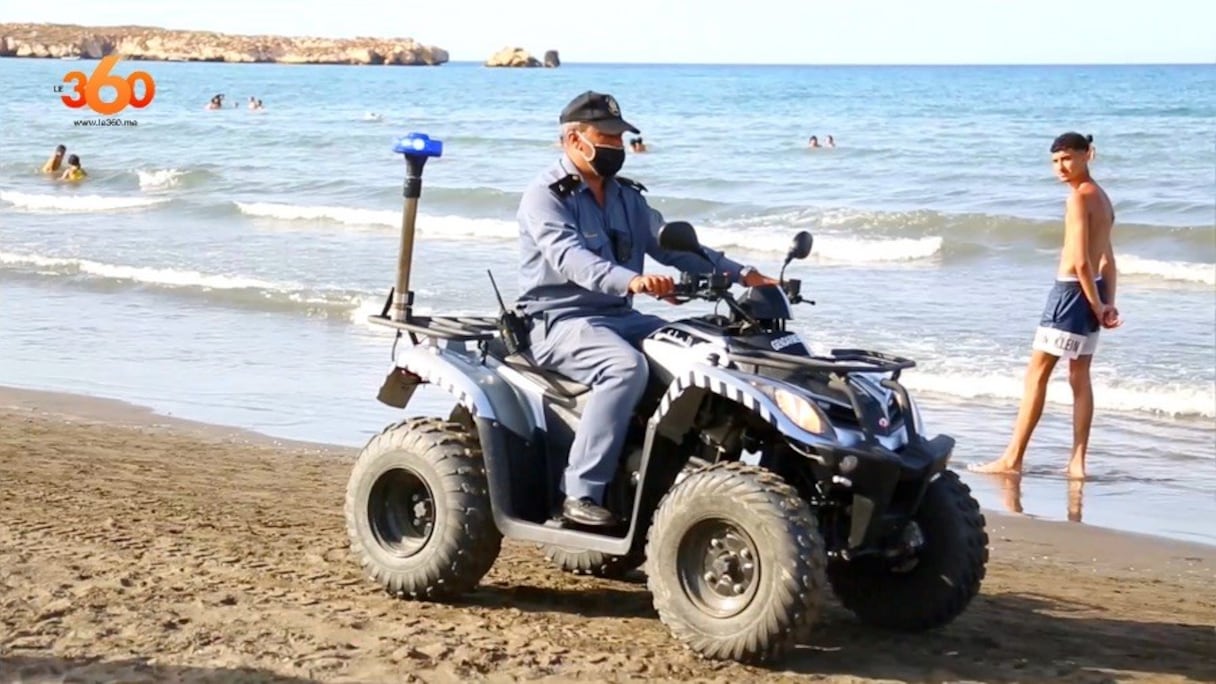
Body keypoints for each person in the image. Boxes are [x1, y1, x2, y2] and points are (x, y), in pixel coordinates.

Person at [515, 90, 777, 526]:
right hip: (559, 322)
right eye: (608, 137)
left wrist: (742, 274)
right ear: (574, 139)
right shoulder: (546, 196)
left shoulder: (626, 198)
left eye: (620, 138)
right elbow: (573, 260)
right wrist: (633, 280)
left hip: (622, 317)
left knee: (703, 354)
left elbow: (671, 246)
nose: (616, 147)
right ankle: (580, 492)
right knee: (624, 369)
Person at [971, 132, 1121, 480]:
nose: (1061, 167)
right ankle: (1077, 463)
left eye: (1068, 158)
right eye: (1055, 161)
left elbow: (1084, 262)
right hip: (1093, 293)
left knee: (1036, 375)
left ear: (1089, 154)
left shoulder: (1079, 199)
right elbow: (1108, 261)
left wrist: (1098, 306)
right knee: (1079, 376)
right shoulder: (1104, 198)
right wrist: (1106, 302)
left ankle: (1012, 458)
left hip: (1071, 294)